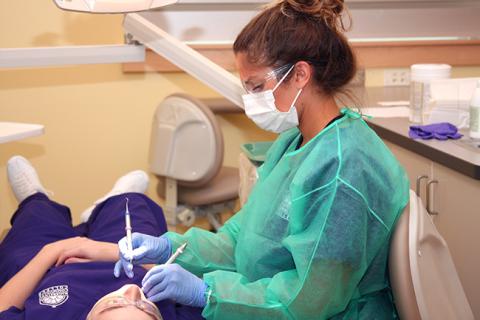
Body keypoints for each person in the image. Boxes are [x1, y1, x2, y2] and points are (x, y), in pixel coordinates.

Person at [115, 0, 410, 319]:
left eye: (257, 87)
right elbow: (241, 239)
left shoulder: (344, 167)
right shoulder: (292, 143)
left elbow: (310, 300)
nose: (250, 101)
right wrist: (171, 247)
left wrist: (207, 293)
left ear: (300, 74)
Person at [0, 156, 204, 320]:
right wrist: (113, 252)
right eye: (148, 308)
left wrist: (52, 251)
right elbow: (197, 287)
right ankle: (110, 202)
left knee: (33, 226)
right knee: (132, 210)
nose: (133, 291)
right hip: (128, 261)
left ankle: (34, 198)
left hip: (48, 270)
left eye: (114, 304)